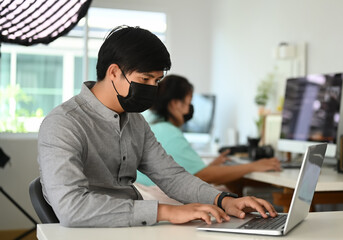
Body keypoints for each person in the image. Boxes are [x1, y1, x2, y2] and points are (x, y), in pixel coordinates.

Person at [37, 26, 277, 228]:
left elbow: (171, 176)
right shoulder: (63, 124)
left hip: (132, 228)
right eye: (145, 80)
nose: (152, 88)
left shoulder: (135, 121)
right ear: (113, 72)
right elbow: (72, 208)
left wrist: (223, 200)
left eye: (157, 81)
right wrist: (165, 212)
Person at [135, 74, 281, 198]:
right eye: (188, 103)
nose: (189, 110)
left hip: (147, 194)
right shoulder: (168, 132)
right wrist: (253, 166)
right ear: (175, 104)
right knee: (231, 196)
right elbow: (202, 175)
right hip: (161, 197)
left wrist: (211, 168)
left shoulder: (148, 121)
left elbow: (189, 172)